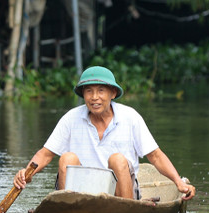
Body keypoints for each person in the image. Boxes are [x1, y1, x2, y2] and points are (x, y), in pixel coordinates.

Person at [13, 66, 196, 201]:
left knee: (117, 159)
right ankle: (67, 207)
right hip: (82, 192)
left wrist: (178, 182)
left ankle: (126, 209)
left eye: (101, 91)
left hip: (121, 193)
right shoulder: (71, 118)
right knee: (67, 158)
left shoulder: (130, 117)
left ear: (113, 93)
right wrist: (26, 173)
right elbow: (45, 154)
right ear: (83, 95)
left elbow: (155, 156)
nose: (94, 97)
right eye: (89, 91)